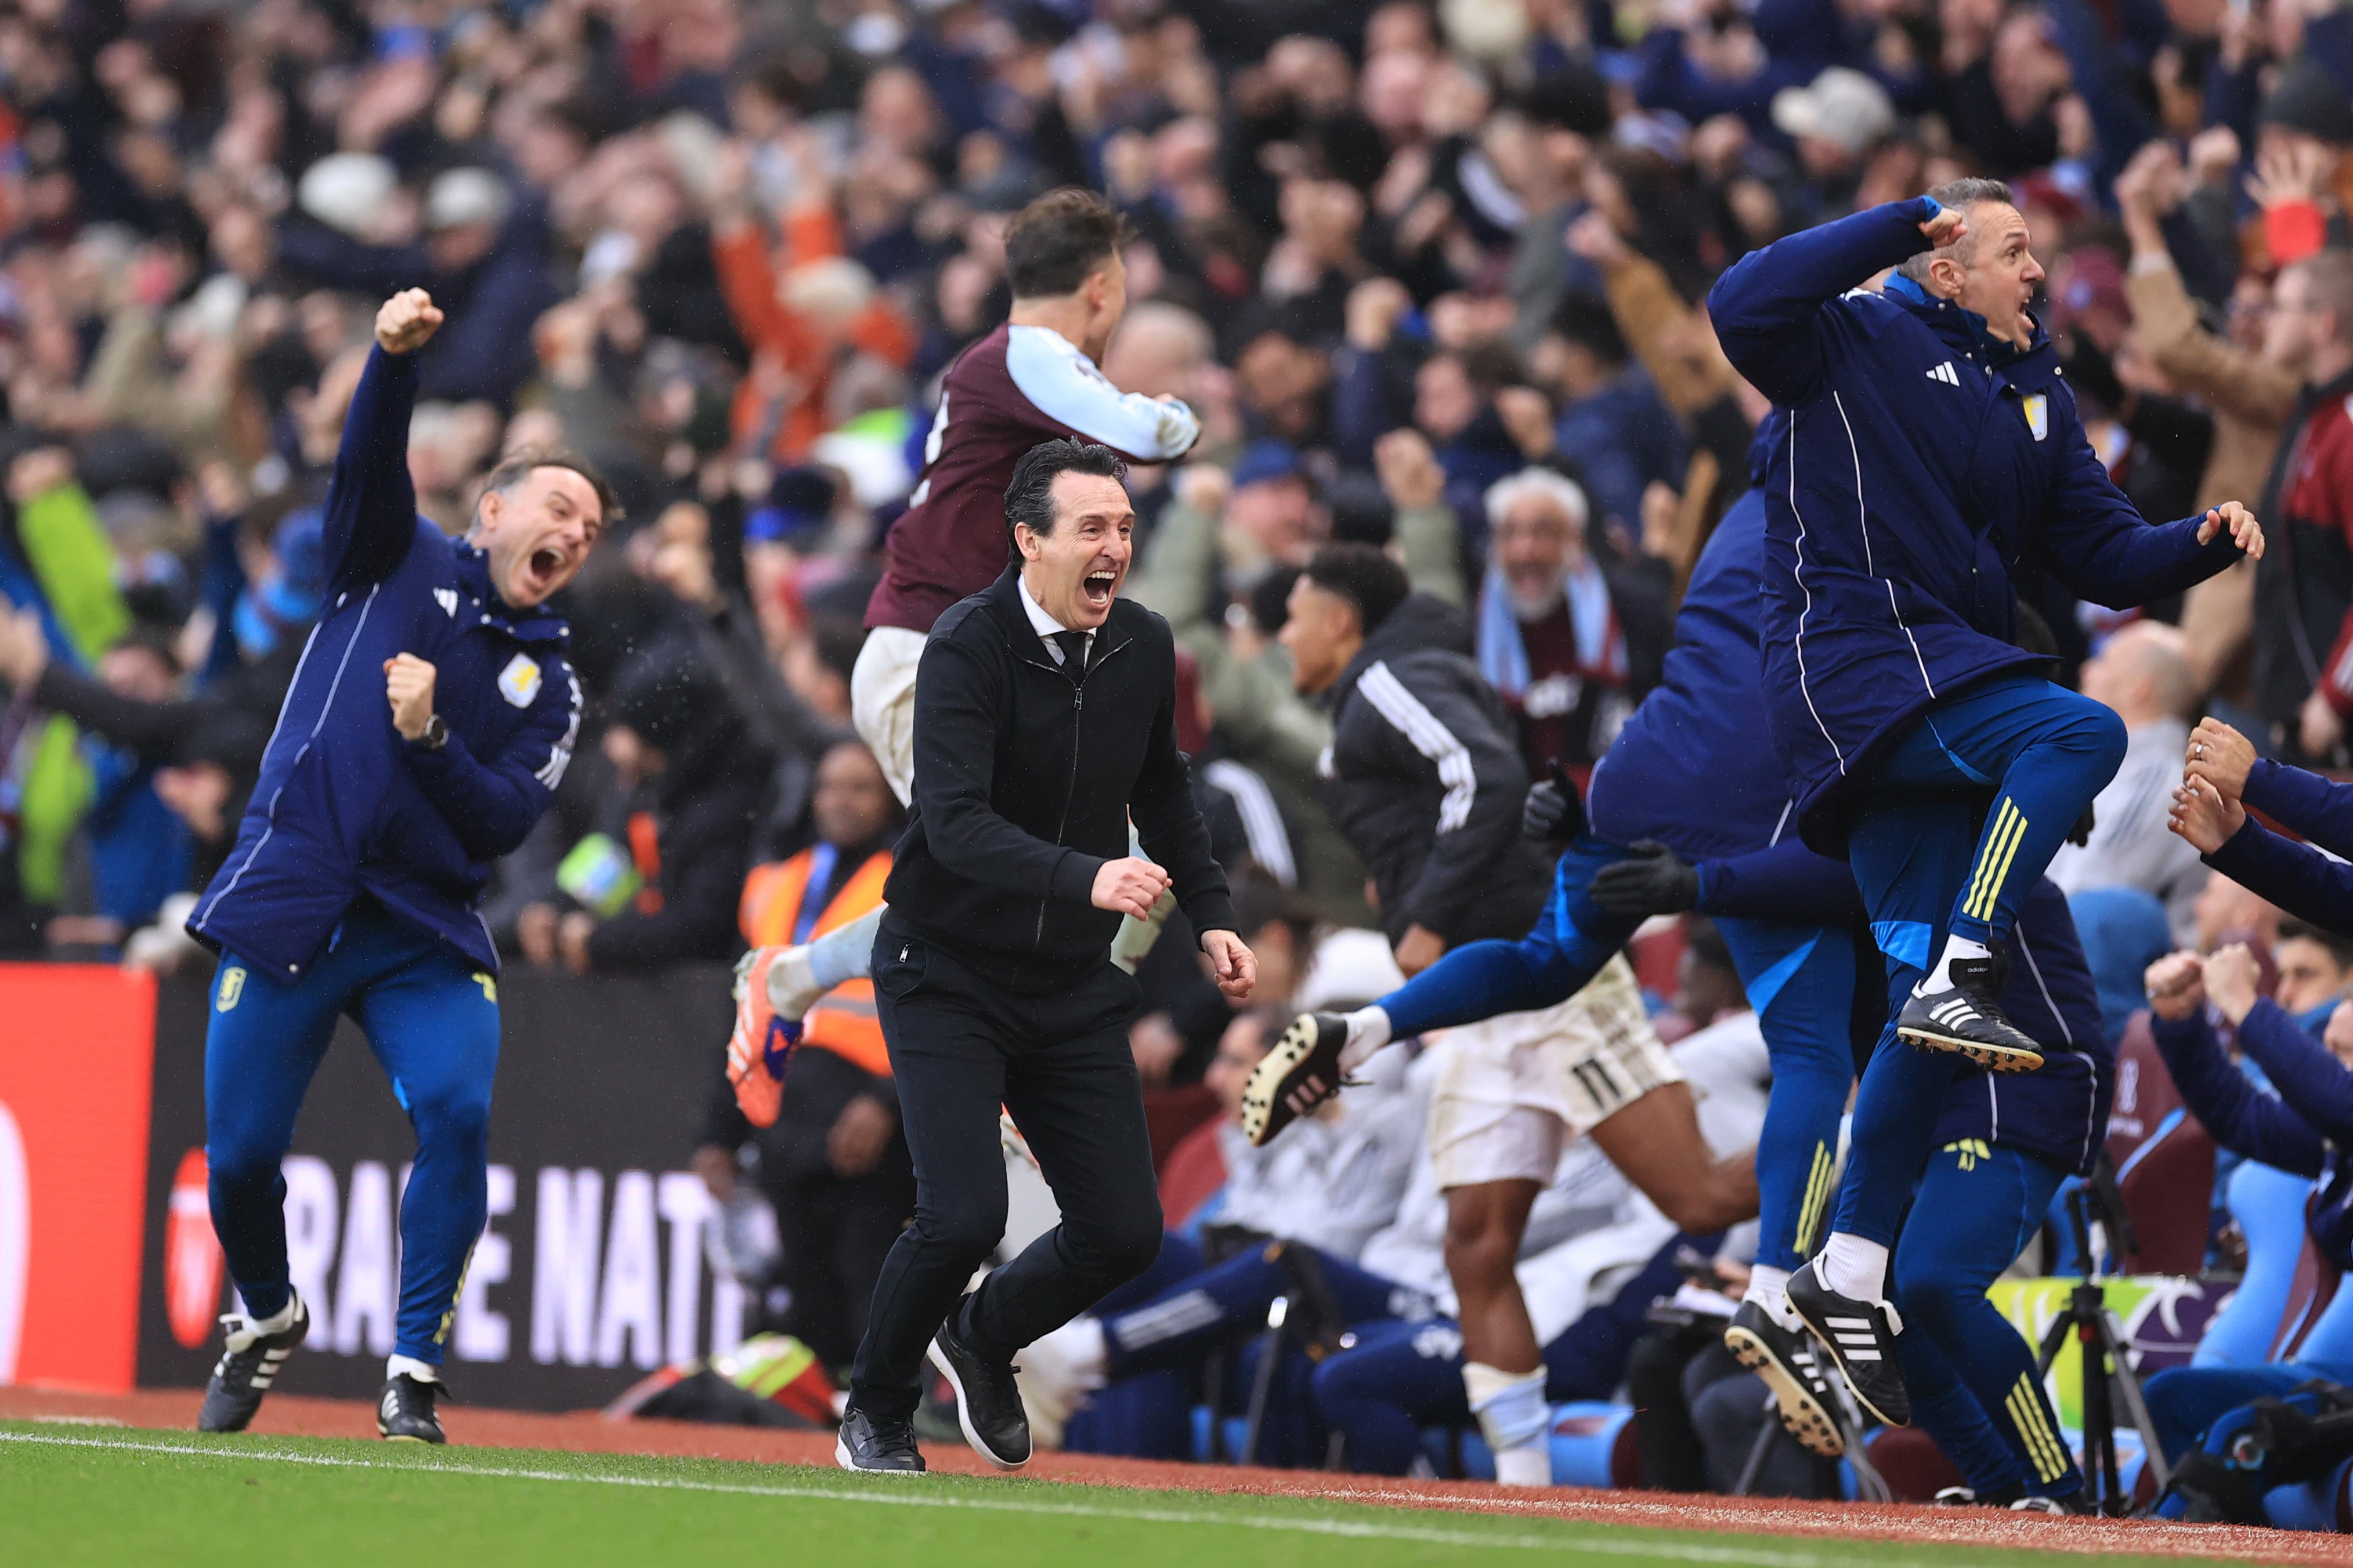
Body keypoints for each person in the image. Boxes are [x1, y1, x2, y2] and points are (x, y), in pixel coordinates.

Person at [1708, 179, 2261, 1423]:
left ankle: (1840, 1274)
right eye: (2012, 250)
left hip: (1927, 691)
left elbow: (2103, 549)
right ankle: (1968, 958)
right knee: (2078, 726)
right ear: (1944, 263)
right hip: (1853, 665)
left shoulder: (2032, 389)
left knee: (1919, 1012)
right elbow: (1737, 302)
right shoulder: (1848, 334)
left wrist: (2202, 543)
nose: (2035, 273)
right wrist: (1905, 216)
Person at [185, 288, 610, 1443]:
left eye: (589, 531)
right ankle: (266, 1313)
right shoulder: (393, 554)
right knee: (239, 1162)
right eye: (558, 509)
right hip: (299, 889)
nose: (571, 536)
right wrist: (388, 362)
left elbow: (502, 823)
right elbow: (367, 461)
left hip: (420, 925)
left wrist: (430, 737)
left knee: (459, 1108)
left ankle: (412, 1366)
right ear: (493, 508)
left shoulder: (551, 682)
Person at [1251, 539, 1754, 1484]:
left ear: (1342, 618)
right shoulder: (1388, 683)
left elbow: (1483, 775)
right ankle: (1525, 1495)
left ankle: (1867, 1147)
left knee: (1701, 1196)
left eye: (1295, 613)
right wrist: (1401, 885)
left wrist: (1427, 916)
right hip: (1482, 1005)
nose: (1285, 633)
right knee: (1477, 1244)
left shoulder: (1388, 676)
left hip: (1544, 974)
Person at [833, 439, 1254, 1475]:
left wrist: (1210, 914)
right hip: (946, 968)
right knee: (963, 1210)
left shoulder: (1144, 644)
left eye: (1124, 526)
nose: (1115, 545)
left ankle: (980, 1336)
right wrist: (1091, 878)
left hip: (1068, 982)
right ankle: (877, 1410)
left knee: (1124, 1230)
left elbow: (1166, 797)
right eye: (1091, 528)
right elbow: (956, 822)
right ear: (1029, 540)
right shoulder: (967, 643)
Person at [729, 186, 1204, 1094]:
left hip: (986, 669)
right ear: (1102, 289)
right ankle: (1021, 1072)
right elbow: (1150, 433)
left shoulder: (1017, 372)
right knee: (1009, 886)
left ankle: (800, 981)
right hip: (926, 658)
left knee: (1139, 857)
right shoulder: (1028, 355)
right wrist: (1189, 412)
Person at [700, 738, 908, 1370]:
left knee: (870, 1292)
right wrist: (716, 1132)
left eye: (859, 788)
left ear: (889, 798)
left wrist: (885, 1104)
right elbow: (744, 1013)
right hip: (789, 1119)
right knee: (811, 1304)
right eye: (829, 787)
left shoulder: (908, 884)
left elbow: (940, 1010)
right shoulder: (776, 886)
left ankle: (882, 1422)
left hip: (871, 1125)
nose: (840, 802)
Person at [2047, 622, 2206, 945]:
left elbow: (2084, 900)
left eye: (2103, 660)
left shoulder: (2162, 785)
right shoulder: (2109, 768)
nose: (2087, 669)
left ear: (2138, 688)